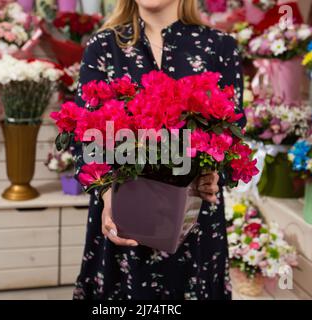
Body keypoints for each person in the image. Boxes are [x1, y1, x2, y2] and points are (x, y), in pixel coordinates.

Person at [72, 0, 244, 300]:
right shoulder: (103, 46)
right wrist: (106, 192)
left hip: (194, 225)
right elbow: (82, 134)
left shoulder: (220, 46)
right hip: (122, 222)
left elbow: (234, 133)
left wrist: (216, 173)